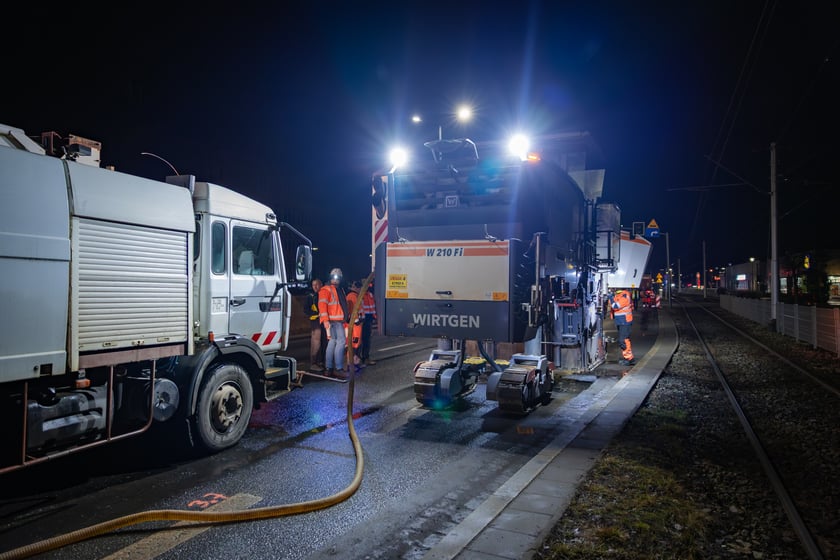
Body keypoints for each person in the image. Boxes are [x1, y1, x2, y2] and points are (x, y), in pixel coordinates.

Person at [318, 268, 349, 378]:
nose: (336, 280)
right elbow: (322, 306)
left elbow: (342, 305)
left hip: (336, 321)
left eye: (338, 278)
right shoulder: (326, 290)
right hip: (334, 321)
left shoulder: (339, 290)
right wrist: (325, 320)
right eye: (334, 278)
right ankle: (338, 368)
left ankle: (329, 368)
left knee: (332, 342)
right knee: (341, 342)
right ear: (330, 278)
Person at [610, 288, 635, 366]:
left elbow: (615, 306)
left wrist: (610, 297)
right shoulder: (619, 295)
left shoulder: (624, 295)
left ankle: (629, 359)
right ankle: (628, 358)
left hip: (624, 321)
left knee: (623, 341)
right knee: (624, 340)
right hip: (621, 321)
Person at [305, 278, 325, 372]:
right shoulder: (310, 296)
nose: (315, 287)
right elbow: (306, 310)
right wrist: (316, 314)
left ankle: (320, 361)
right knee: (316, 342)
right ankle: (313, 363)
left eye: (317, 284)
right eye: (313, 285)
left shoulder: (322, 294)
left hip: (322, 320)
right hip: (315, 321)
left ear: (321, 285)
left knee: (323, 342)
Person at [346, 280, 365, 373]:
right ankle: (351, 364)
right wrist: (356, 320)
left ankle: (355, 363)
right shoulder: (352, 296)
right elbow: (352, 310)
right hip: (354, 325)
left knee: (357, 344)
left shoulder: (356, 296)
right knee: (353, 345)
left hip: (357, 324)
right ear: (357, 288)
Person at [359, 279, 377, 365]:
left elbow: (373, 306)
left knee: (366, 340)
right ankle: (358, 358)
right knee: (360, 340)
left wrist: (374, 317)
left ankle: (365, 357)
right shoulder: (360, 295)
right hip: (362, 319)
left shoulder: (370, 294)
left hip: (369, 319)